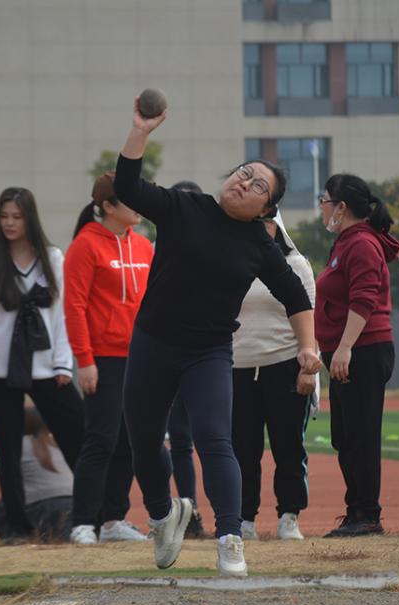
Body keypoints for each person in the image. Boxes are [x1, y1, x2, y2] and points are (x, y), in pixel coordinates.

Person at [114, 97, 320, 577]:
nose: (244, 182)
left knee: (214, 440)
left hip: (207, 353)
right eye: (243, 173)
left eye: (258, 185)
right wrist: (140, 131)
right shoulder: (185, 208)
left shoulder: (259, 246)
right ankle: (163, 516)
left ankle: (230, 539)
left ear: (266, 208)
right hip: (152, 342)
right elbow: (127, 186)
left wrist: (307, 346)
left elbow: (296, 296)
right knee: (143, 440)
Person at [0, 187, 85, 540]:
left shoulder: (52, 257)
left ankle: (94, 516)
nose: (9, 224)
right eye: (4, 217)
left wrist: (64, 365)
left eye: (16, 217)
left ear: (30, 217)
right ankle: (17, 528)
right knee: (6, 446)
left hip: (48, 367)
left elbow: (63, 316)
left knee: (78, 434)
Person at [65, 172, 153, 544]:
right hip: (102, 358)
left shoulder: (144, 245)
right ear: (108, 207)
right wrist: (84, 360)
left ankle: (114, 520)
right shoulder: (85, 246)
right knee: (100, 439)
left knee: (129, 441)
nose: (139, 206)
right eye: (130, 199)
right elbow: (74, 305)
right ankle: (83, 522)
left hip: (141, 358)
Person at [315, 174, 399, 538]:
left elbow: (364, 299)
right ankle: (355, 511)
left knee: (362, 435)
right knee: (345, 437)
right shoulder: (345, 242)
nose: (322, 206)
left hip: (363, 349)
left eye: (325, 199)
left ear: (342, 207)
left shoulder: (362, 243)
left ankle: (367, 514)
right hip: (348, 350)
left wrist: (345, 348)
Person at [233, 212, 317, 541]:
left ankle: (289, 516)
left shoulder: (296, 265)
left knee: (289, 447)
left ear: (276, 226)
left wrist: (308, 369)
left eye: (263, 222)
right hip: (238, 367)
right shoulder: (232, 263)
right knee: (242, 450)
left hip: (284, 364)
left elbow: (309, 317)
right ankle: (243, 519)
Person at [165, 180, 207, 539]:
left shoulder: (214, 248)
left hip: (205, 357)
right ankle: (176, 513)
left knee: (204, 439)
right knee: (169, 439)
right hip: (163, 356)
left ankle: (208, 515)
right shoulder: (153, 249)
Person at [0, 408, 75, 541]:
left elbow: (7, 477)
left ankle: (16, 539)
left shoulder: (17, 447)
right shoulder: (57, 445)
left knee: (5, 504)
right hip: (73, 504)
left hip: (40, 507)